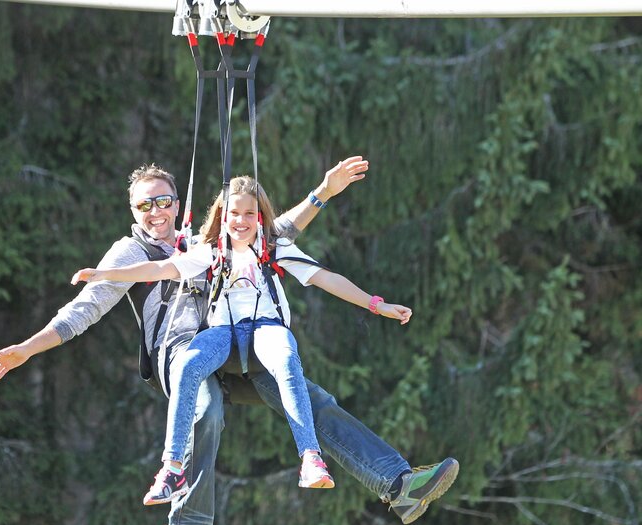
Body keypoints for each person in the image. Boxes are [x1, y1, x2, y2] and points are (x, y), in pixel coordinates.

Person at [0, 158, 459, 525]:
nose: (155, 212)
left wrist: (323, 192)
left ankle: (397, 485)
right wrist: (28, 347)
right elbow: (83, 309)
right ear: (133, 212)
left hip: (238, 344)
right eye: (144, 206)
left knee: (308, 399)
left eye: (163, 201)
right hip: (181, 355)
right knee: (205, 412)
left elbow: (275, 231)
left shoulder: (203, 239)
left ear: (177, 203)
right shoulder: (132, 253)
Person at [70, 176, 415, 504]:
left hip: (264, 330)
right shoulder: (209, 251)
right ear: (222, 216)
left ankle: (311, 457)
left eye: (250, 214)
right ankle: (172, 467)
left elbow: (325, 277)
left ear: (261, 217)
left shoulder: (274, 248)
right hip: (222, 335)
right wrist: (105, 274)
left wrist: (375, 304)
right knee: (189, 368)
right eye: (233, 213)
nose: (241, 221)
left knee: (286, 362)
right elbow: (161, 270)